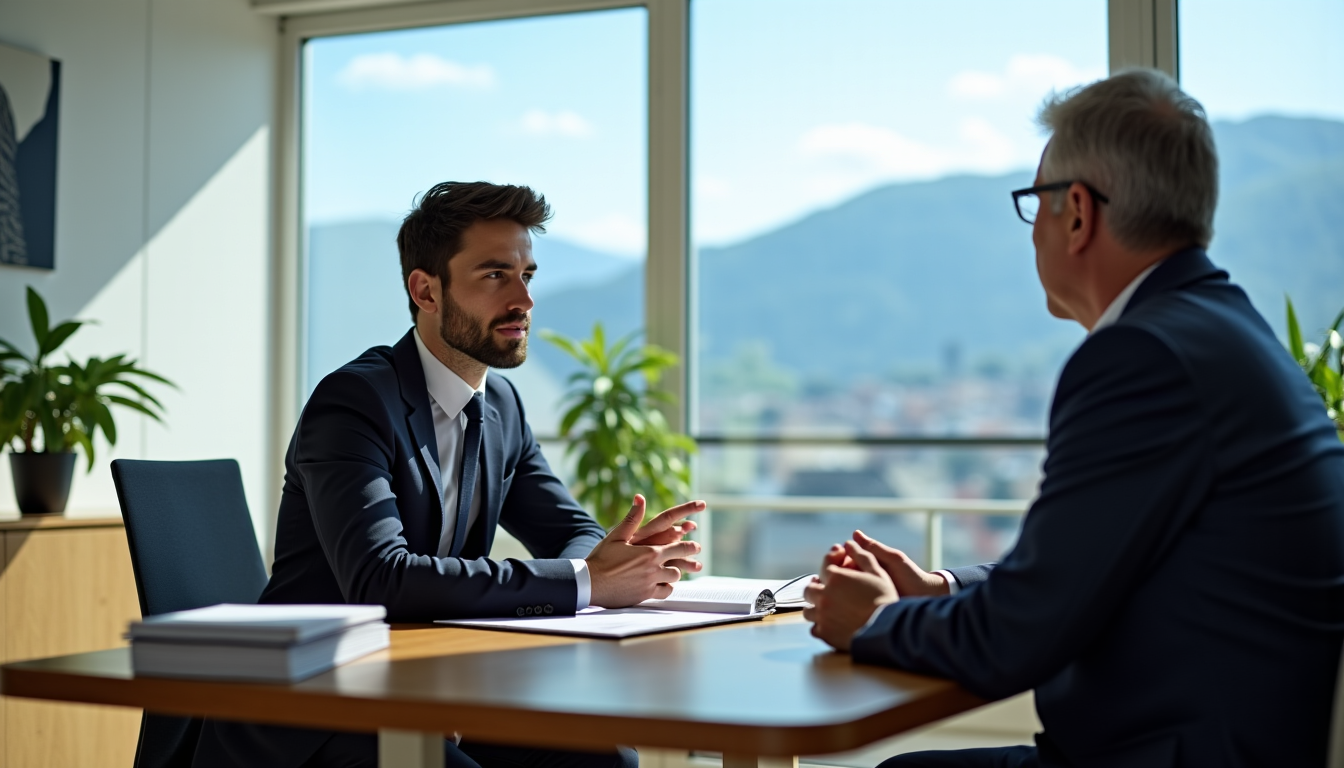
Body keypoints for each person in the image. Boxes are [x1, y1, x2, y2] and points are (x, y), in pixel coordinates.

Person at [804, 69, 1344, 768]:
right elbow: (1079, 566)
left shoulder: (1141, 356)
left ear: (1079, 213)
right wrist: (941, 589)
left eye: (1036, 205)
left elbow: (1014, 641)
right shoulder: (1224, 329)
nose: (1033, 235)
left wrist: (878, 621)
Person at [195, 182, 703, 768]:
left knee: (605, 760)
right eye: (494, 276)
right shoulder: (355, 402)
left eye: (528, 276)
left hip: (430, 681)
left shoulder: (503, 407)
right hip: (316, 708)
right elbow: (381, 579)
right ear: (425, 290)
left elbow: (572, 530)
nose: (524, 301)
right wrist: (588, 581)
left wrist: (605, 563)